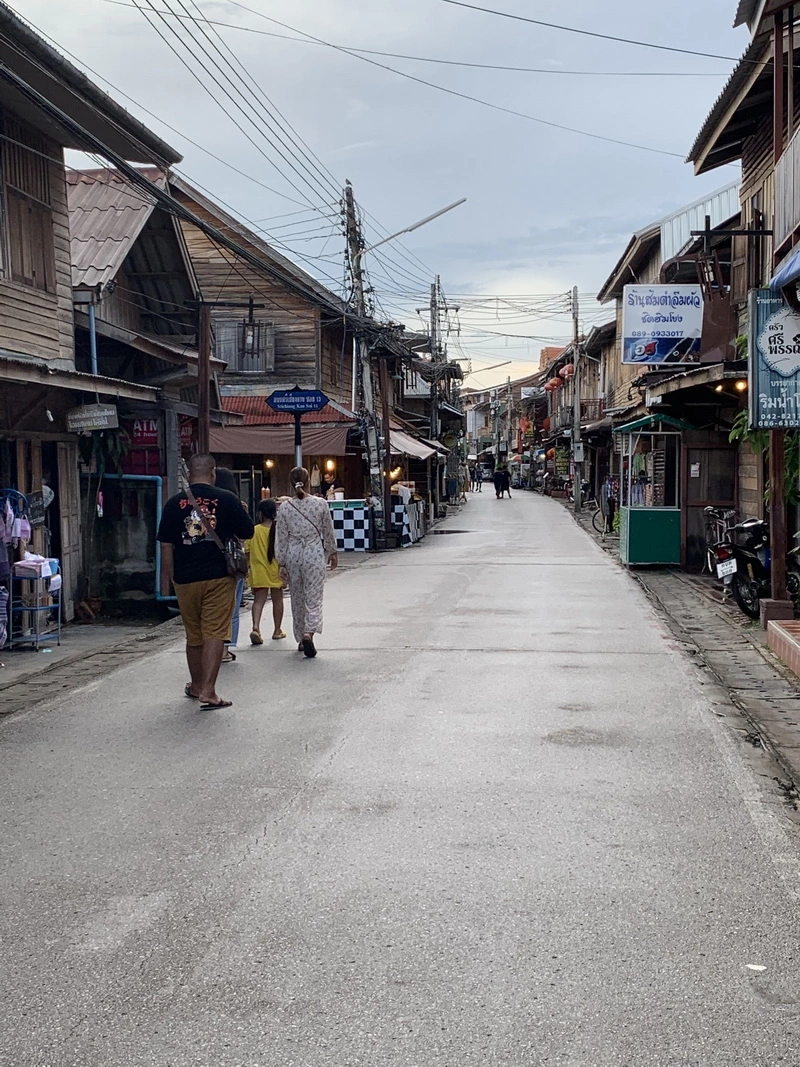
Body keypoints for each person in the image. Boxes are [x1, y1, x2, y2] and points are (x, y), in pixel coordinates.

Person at [157, 453, 254, 709]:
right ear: (213, 473)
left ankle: (197, 685)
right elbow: (248, 532)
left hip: (185, 578)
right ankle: (209, 691)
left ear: (189, 473)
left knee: (194, 635)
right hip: (219, 576)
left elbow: (166, 545)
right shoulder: (227, 499)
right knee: (215, 632)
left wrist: (172, 577)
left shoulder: (173, 503)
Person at [274, 466, 338, 658]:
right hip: (313, 553)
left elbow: (281, 537)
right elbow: (328, 530)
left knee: (297, 597)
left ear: (290, 483)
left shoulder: (285, 507)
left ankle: (301, 638)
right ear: (309, 481)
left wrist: (281, 562)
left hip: (293, 554)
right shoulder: (320, 504)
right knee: (314, 596)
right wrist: (332, 551)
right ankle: (309, 633)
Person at [215, 467, 246, 663]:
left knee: (212, 609)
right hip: (232, 562)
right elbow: (245, 533)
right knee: (232, 606)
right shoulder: (235, 504)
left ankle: (210, 648)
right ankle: (225, 649)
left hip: (207, 561)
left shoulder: (203, 504)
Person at [246, 499, 286, 643]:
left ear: (260, 514)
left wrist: (247, 570)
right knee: (278, 601)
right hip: (276, 571)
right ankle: (277, 630)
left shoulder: (254, 530)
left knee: (258, 601)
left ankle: (256, 627)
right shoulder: (279, 530)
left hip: (258, 572)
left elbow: (247, 552)